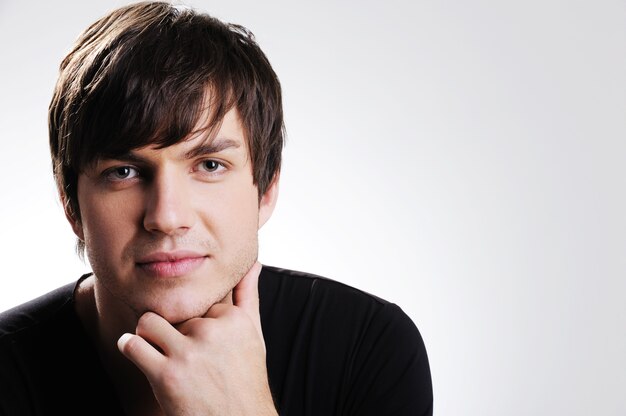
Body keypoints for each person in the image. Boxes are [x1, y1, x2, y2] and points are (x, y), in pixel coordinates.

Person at [0, 1, 433, 415]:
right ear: (71, 205)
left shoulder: (368, 347)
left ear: (266, 190)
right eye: (123, 172)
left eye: (209, 165)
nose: (167, 217)